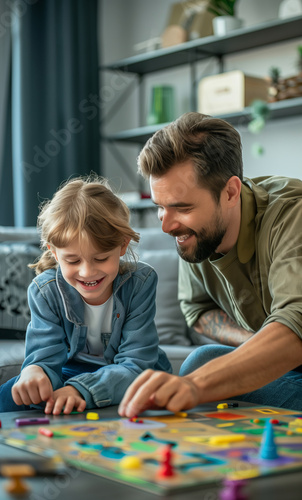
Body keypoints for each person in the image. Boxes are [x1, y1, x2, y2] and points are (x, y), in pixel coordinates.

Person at [118, 111, 302, 418]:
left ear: (230, 192)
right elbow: (197, 310)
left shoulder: (291, 214)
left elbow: (296, 327)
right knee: (201, 361)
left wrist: (197, 387)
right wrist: (253, 344)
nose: (166, 226)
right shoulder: (196, 235)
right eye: (160, 208)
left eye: (182, 207)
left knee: (199, 376)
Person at [0, 176, 171, 415]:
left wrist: (80, 391)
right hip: (74, 372)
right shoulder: (45, 290)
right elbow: (44, 357)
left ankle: (87, 400)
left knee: (151, 392)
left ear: (122, 245)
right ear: (55, 253)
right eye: (73, 260)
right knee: (11, 395)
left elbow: (136, 362)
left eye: (100, 258)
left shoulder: (141, 282)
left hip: (133, 373)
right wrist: (34, 371)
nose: (87, 272)